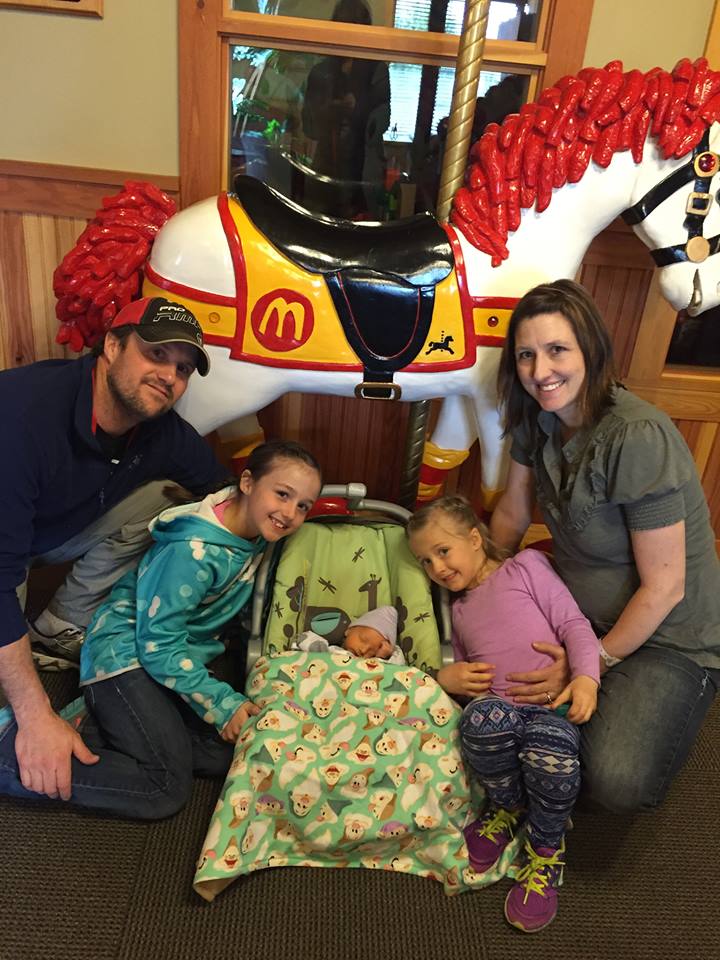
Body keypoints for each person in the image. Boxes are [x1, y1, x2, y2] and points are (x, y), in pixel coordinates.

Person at [490, 278, 720, 815]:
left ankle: (691, 690)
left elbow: (665, 589)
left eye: (557, 350)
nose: (541, 371)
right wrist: (478, 590)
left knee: (616, 780)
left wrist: (585, 663)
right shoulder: (535, 416)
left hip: (668, 635)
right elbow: (512, 512)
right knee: (486, 677)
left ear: (590, 349)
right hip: (577, 613)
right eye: (527, 355)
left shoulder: (638, 435)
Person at [0, 440, 322, 819]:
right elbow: (158, 646)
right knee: (164, 787)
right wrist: (221, 703)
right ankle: (11, 759)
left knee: (231, 751)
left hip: (171, 659)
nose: (290, 513)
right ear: (248, 482)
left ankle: (98, 727)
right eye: (282, 494)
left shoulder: (252, 534)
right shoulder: (192, 552)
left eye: (303, 506)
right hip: (126, 656)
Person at [0, 295, 231, 804]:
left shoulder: (160, 431)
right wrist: (36, 717)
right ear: (111, 345)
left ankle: (58, 630)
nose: (169, 376)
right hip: (4, 551)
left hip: (43, 534)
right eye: (156, 354)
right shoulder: (23, 415)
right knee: (18, 702)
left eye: (183, 367)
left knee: (168, 500)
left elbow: (227, 495)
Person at [408, 495, 599, 932]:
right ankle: (508, 808)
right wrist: (447, 677)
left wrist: (586, 677)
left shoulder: (525, 566)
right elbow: (465, 675)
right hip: (499, 712)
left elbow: (573, 624)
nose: (436, 568)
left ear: (475, 539)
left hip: (551, 707)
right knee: (477, 720)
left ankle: (546, 849)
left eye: (443, 551)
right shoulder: (458, 610)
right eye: (424, 561)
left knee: (550, 749)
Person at [293, 605, 406, 663]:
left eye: (372, 653)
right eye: (363, 639)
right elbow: (303, 639)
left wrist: (385, 656)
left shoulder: (374, 663)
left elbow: (398, 670)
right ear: (349, 630)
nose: (364, 650)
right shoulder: (331, 651)